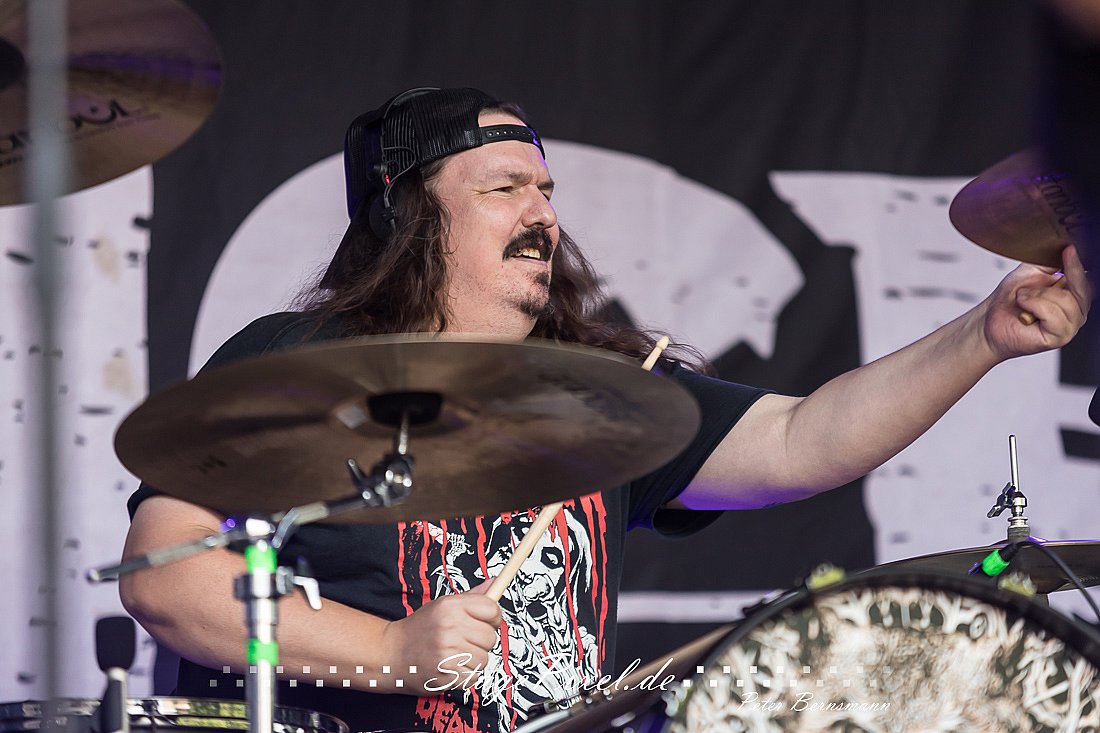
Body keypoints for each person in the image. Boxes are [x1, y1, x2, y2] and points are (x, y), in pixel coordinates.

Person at [119, 87, 1091, 733]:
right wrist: (385, 649)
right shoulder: (299, 361)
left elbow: (803, 440)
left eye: (546, 190)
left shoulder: (597, 396)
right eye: (504, 188)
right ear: (407, 212)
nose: (542, 213)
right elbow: (168, 578)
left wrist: (985, 334)